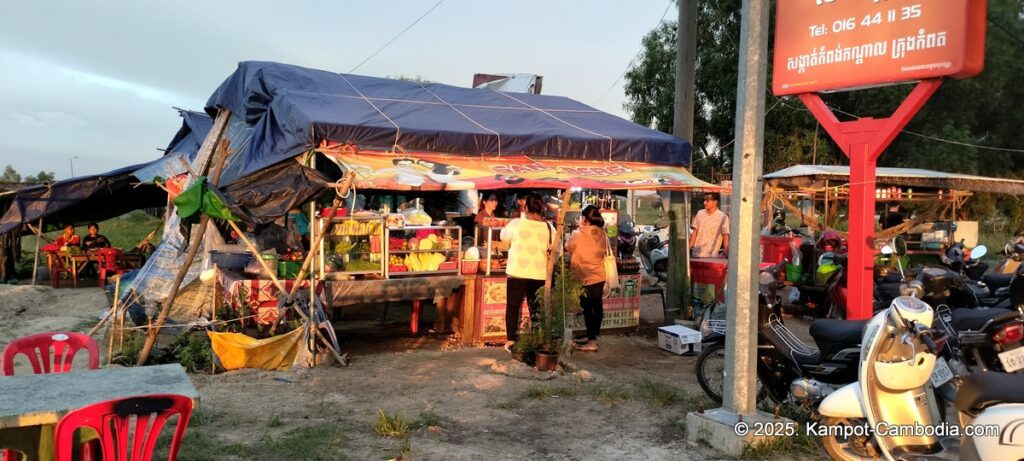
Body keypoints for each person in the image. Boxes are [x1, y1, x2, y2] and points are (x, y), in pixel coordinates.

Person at [500, 192, 552, 352]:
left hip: (517, 272)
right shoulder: (549, 227)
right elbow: (554, 248)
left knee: (513, 306)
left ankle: (510, 341)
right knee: (535, 307)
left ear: (526, 207)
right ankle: (538, 338)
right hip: (539, 274)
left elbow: (503, 237)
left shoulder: (516, 223)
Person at [565, 205, 608, 352]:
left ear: (584, 218)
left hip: (585, 276)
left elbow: (569, 247)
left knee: (588, 309)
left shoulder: (579, 234)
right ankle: (593, 336)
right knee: (597, 307)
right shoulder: (602, 233)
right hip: (600, 275)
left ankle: (592, 342)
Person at [689, 192, 730, 258]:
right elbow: (695, 232)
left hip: (711, 256)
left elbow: (725, 236)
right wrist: (689, 248)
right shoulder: (700, 213)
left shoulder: (723, 217)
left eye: (707, 200)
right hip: (696, 253)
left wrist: (726, 252)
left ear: (715, 202)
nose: (704, 202)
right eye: (704, 200)